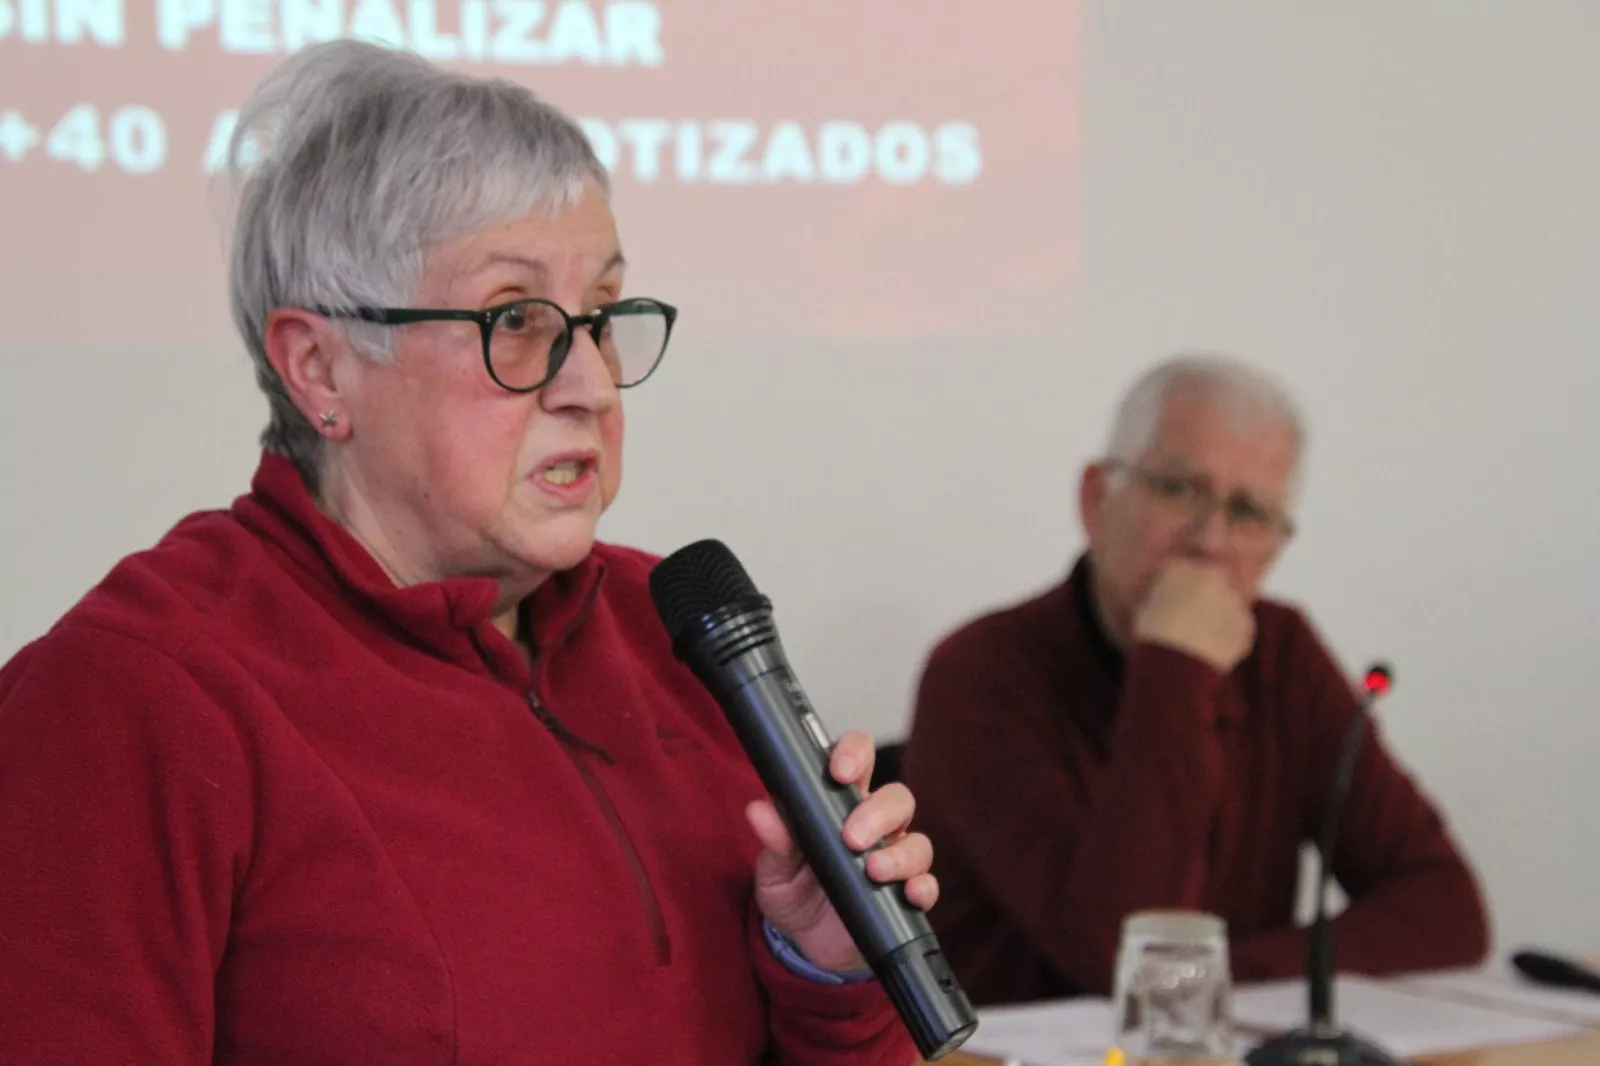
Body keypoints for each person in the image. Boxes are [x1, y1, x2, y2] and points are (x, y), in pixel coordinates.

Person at [0, 41, 937, 1064]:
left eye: (602, 318)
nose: (586, 384)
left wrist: (828, 970)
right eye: (516, 320)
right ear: (319, 367)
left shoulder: (669, 626)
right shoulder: (135, 694)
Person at [902, 354, 1489, 1006]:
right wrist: (1176, 668)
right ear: (1096, 499)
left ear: (1275, 547)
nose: (1212, 541)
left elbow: (1447, 911)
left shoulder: (1282, 653)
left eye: (1249, 511)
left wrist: (1205, 980)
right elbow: (1113, 953)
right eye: (1179, 489)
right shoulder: (980, 673)